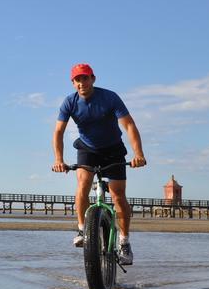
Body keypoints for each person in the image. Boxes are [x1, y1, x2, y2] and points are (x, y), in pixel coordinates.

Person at [52, 63, 146, 264]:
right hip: (88, 149)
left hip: (113, 149)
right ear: (73, 82)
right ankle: (81, 229)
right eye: (78, 79)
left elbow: (129, 125)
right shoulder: (69, 102)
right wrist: (59, 160)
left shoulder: (109, 97)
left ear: (93, 79)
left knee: (118, 195)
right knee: (82, 186)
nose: (82, 83)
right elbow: (58, 132)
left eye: (85, 78)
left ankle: (124, 242)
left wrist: (138, 154)